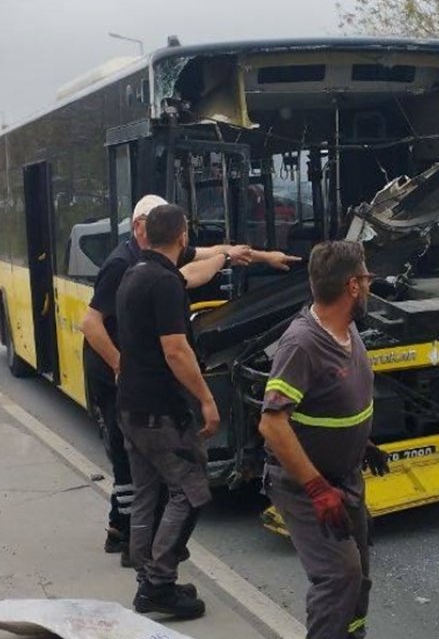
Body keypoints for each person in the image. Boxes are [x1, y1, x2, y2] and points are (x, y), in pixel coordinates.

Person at [80, 195, 300, 564]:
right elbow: (101, 327)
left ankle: (140, 560)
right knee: (175, 484)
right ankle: (146, 559)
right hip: (121, 380)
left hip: (135, 390)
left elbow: (208, 258)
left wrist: (261, 257)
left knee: (148, 482)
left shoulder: (147, 268)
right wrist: (124, 368)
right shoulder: (125, 266)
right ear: (144, 229)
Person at [258, 240, 389, 639]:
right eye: (365, 279)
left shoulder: (347, 329)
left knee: (358, 575)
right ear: (352, 286)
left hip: (344, 477)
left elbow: (330, 402)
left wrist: (359, 443)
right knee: (338, 576)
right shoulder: (302, 344)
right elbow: (273, 424)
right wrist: (316, 488)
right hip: (306, 486)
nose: (369, 287)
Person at [115, 204, 220, 619]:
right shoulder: (165, 283)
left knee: (147, 492)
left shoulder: (134, 273)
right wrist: (207, 399)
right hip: (161, 410)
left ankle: (149, 576)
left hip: (131, 405)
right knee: (190, 491)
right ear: (183, 235)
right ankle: (159, 584)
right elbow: (175, 349)